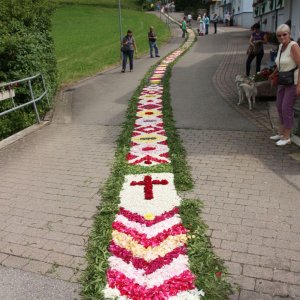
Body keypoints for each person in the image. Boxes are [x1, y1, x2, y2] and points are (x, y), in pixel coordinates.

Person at [269, 24, 300, 146]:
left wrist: (299, 85)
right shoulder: (281, 46)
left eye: (284, 34)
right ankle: (282, 132)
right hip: (283, 79)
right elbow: (280, 63)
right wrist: (273, 73)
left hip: (293, 81)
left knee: (286, 107)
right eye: (279, 35)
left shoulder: (293, 46)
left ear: (289, 34)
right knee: (279, 105)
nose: (282, 37)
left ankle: (287, 136)